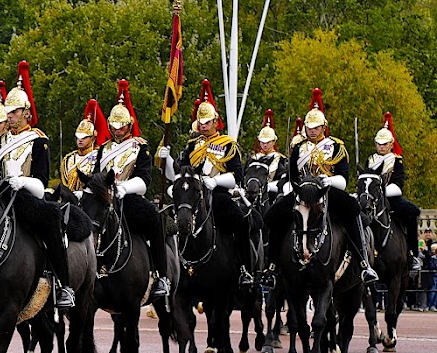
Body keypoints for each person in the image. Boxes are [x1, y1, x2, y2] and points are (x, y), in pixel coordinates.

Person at [263, 88, 378, 286]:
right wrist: (291, 188)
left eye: (316, 127)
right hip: (302, 193)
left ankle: (363, 263)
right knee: (273, 216)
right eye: (309, 127)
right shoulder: (298, 148)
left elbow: (343, 178)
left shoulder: (336, 146)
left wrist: (329, 181)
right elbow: (291, 175)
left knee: (353, 210)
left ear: (323, 127)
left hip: (327, 191)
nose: (312, 130)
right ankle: (271, 267)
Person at [0, 78, 75, 308]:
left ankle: (64, 285)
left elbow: (41, 180)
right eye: (8, 112)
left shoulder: (38, 140)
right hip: (3, 195)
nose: (10, 117)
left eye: (14, 112)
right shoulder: (0, 141)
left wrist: (21, 181)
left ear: (25, 113)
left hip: (29, 196)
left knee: (51, 221)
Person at [84, 82, 170, 303]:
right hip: (104, 199)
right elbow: (96, 176)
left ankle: (161, 275)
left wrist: (123, 188)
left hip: (129, 197)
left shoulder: (140, 146)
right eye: (113, 125)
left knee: (154, 219)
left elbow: (144, 179)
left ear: (129, 125)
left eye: (121, 125)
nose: (117, 129)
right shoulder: (103, 148)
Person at [164, 96, 257, 289]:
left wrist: (216, 180)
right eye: (201, 123)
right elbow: (179, 173)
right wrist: (167, 160)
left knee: (240, 222)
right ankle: (166, 269)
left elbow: (237, 175)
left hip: (218, 195)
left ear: (215, 122)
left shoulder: (228, 144)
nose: (204, 126)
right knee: (168, 221)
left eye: (207, 123)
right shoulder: (192, 144)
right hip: (192, 194)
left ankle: (244, 269)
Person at [365, 114, 422, 273]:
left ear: (390, 145)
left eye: (384, 144)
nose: (381, 147)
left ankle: (413, 254)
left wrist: (382, 192)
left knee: (412, 212)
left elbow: (398, 183)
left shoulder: (397, 161)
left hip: (392, 197)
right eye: (378, 144)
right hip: (373, 199)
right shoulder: (370, 160)